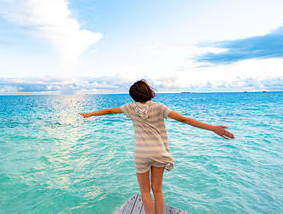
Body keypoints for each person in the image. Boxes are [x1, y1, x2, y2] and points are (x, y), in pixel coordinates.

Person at [79, 80, 235, 214]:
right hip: (159, 152)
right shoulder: (159, 107)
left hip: (141, 153)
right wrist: (212, 128)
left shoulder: (130, 108)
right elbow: (184, 119)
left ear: (133, 95)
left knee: (145, 192)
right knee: (157, 190)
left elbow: (109, 110)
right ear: (148, 92)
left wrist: (90, 114)